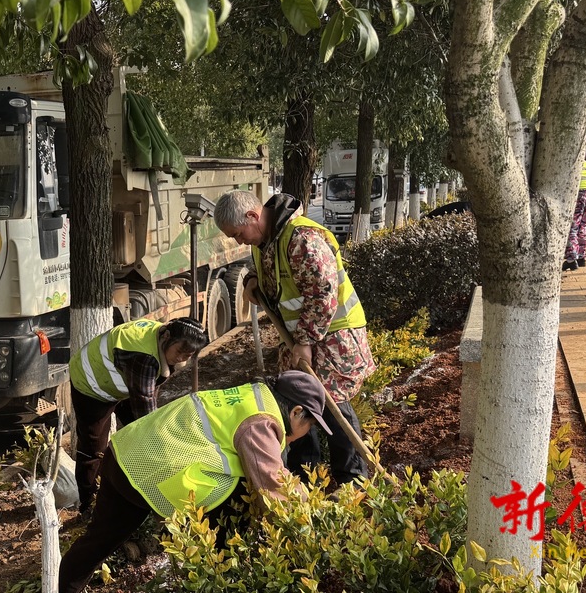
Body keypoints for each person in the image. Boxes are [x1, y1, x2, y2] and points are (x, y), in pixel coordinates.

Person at [57, 371, 331, 593]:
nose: (307, 433)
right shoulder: (260, 422)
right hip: (148, 472)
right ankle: (218, 576)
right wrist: (315, 517)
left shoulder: (252, 395)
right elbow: (273, 487)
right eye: (311, 425)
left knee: (99, 540)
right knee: (237, 498)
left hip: (125, 455)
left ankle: (64, 588)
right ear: (296, 412)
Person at [213, 190, 376, 487]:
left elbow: (323, 294)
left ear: (252, 216)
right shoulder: (265, 241)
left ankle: (352, 481)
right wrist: (252, 279)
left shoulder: (301, 238)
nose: (239, 241)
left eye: (238, 234)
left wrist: (305, 340)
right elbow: (276, 278)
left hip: (334, 337)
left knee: (332, 405)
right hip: (304, 337)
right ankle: (306, 479)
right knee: (297, 404)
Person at [68, 317, 209, 513]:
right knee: (93, 447)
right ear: (167, 336)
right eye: (179, 352)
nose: (181, 360)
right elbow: (147, 412)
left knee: (144, 437)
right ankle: (89, 506)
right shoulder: (143, 356)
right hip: (91, 383)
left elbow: (151, 390)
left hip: (124, 380)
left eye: (188, 355)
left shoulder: (161, 337)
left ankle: (135, 486)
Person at [562, 154, 586, 271]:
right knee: (583, 225)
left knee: (572, 226)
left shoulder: (567, 158)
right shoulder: (583, 161)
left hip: (579, 192)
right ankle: (581, 256)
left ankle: (571, 259)